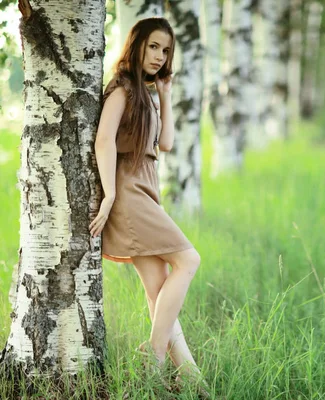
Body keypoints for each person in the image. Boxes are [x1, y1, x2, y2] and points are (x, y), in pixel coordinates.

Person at [89, 17, 207, 392]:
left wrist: (166, 95)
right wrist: (109, 195)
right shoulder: (122, 89)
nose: (159, 55)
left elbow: (166, 143)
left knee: (159, 291)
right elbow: (105, 141)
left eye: (166, 50)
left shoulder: (146, 92)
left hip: (146, 188)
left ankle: (191, 380)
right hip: (128, 192)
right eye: (153, 46)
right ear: (136, 44)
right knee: (189, 259)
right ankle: (154, 354)